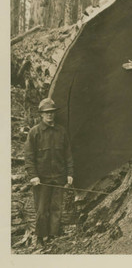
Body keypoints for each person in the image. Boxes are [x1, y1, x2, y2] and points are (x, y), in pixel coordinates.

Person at [25, 98, 74, 247]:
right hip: (42, 179)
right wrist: (33, 176)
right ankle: (41, 237)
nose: (49, 115)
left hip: (58, 177)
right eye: (46, 113)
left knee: (56, 208)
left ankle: (53, 236)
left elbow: (68, 155)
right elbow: (29, 157)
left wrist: (70, 173)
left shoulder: (61, 131)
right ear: (41, 114)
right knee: (41, 209)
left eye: (52, 112)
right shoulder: (35, 132)